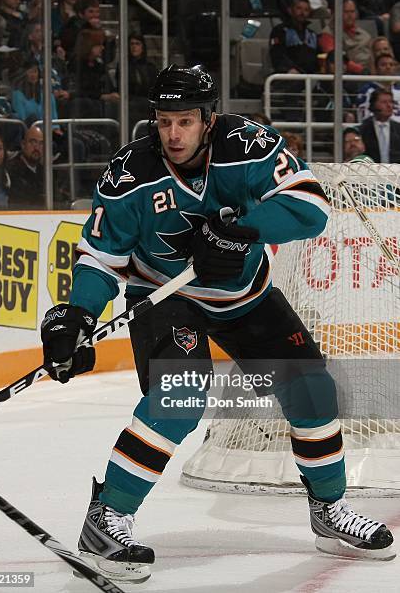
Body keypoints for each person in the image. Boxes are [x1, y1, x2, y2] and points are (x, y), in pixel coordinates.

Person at [40, 64, 395, 583]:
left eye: (185, 121)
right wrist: (77, 315)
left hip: (245, 296)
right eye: (164, 122)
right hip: (164, 295)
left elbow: (311, 206)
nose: (174, 134)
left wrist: (242, 231)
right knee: (179, 398)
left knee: (313, 392)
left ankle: (329, 510)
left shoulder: (247, 144)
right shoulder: (128, 174)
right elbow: (99, 258)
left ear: (208, 119)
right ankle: (106, 518)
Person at [319, 0, 372, 73]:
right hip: (349, 75)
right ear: (336, 13)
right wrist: (362, 70)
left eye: (352, 12)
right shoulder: (327, 34)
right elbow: (335, 59)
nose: (350, 15)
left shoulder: (365, 35)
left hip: (372, 72)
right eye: (346, 12)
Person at [7, 125, 44, 208]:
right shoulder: (12, 170)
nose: (37, 147)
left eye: (41, 143)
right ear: (23, 144)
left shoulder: (45, 172)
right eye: (33, 142)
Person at [356, 53, 400, 122]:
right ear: (376, 69)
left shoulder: (398, 90)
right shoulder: (367, 90)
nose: (388, 67)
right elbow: (363, 117)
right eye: (383, 65)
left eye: (391, 65)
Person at [359, 88, 400, 163]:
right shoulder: (363, 129)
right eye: (384, 102)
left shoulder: (398, 128)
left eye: (391, 102)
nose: (389, 105)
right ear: (373, 104)